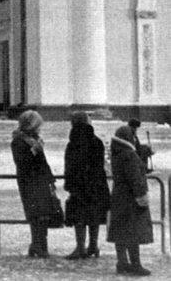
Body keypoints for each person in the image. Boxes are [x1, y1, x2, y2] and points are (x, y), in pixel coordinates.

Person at [11, 110, 58, 258]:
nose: (40, 128)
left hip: (41, 181)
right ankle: (37, 245)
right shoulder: (18, 141)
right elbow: (21, 162)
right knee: (35, 215)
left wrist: (50, 179)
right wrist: (33, 150)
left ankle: (41, 245)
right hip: (29, 182)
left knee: (44, 215)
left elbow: (43, 162)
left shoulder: (35, 139)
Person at [64, 111, 110, 260]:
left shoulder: (74, 142)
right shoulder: (96, 141)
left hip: (79, 186)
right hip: (97, 184)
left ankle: (80, 247)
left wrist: (69, 184)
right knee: (94, 216)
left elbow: (70, 166)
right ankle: (93, 246)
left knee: (79, 217)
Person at [107, 126, 153, 276]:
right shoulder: (129, 155)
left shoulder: (117, 153)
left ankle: (122, 262)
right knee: (133, 232)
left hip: (119, 197)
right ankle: (135, 264)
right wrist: (142, 196)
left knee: (121, 231)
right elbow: (135, 178)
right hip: (131, 199)